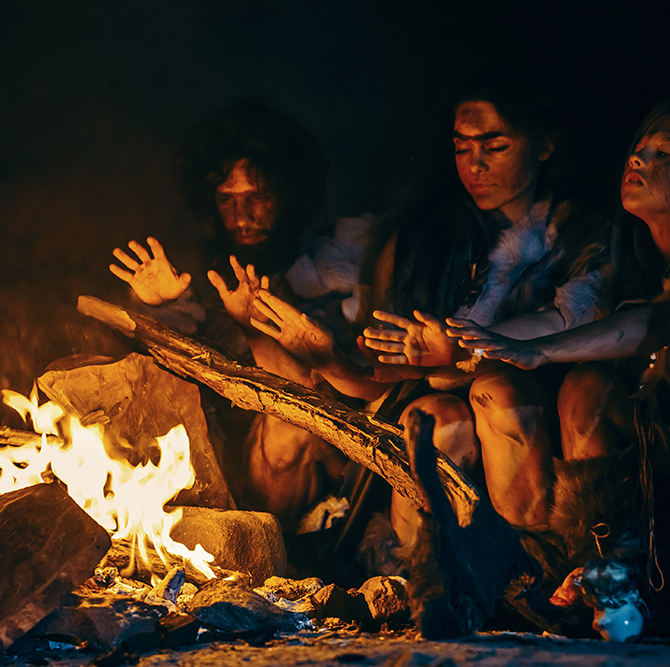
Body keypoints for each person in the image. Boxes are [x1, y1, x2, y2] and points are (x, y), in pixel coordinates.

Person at [251, 78, 612, 562]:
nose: (476, 165)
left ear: (544, 145)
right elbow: (381, 380)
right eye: (462, 149)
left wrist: (463, 350)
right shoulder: (426, 242)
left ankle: (536, 567)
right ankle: (416, 572)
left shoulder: (579, 232)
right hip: (447, 421)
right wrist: (328, 360)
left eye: (495, 146)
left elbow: (576, 321)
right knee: (436, 417)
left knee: (500, 392)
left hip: (540, 419)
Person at [108, 100, 378, 576]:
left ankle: (271, 562)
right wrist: (161, 306)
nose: (243, 215)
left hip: (317, 486)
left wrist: (261, 327)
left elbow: (329, 395)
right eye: (227, 199)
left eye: (259, 197)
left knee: (289, 422)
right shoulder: (207, 273)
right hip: (218, 479)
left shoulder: (336, 272)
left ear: (290, 195)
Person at [447, 101, 670, 619]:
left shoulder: (579, 234)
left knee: (586, 386)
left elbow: (654, 324)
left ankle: (620, 574)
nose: (638, 162)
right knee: (578, 388)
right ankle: (589, 567)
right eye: (638, 152)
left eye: (665, 155)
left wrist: (535, 347)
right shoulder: (631, 252)